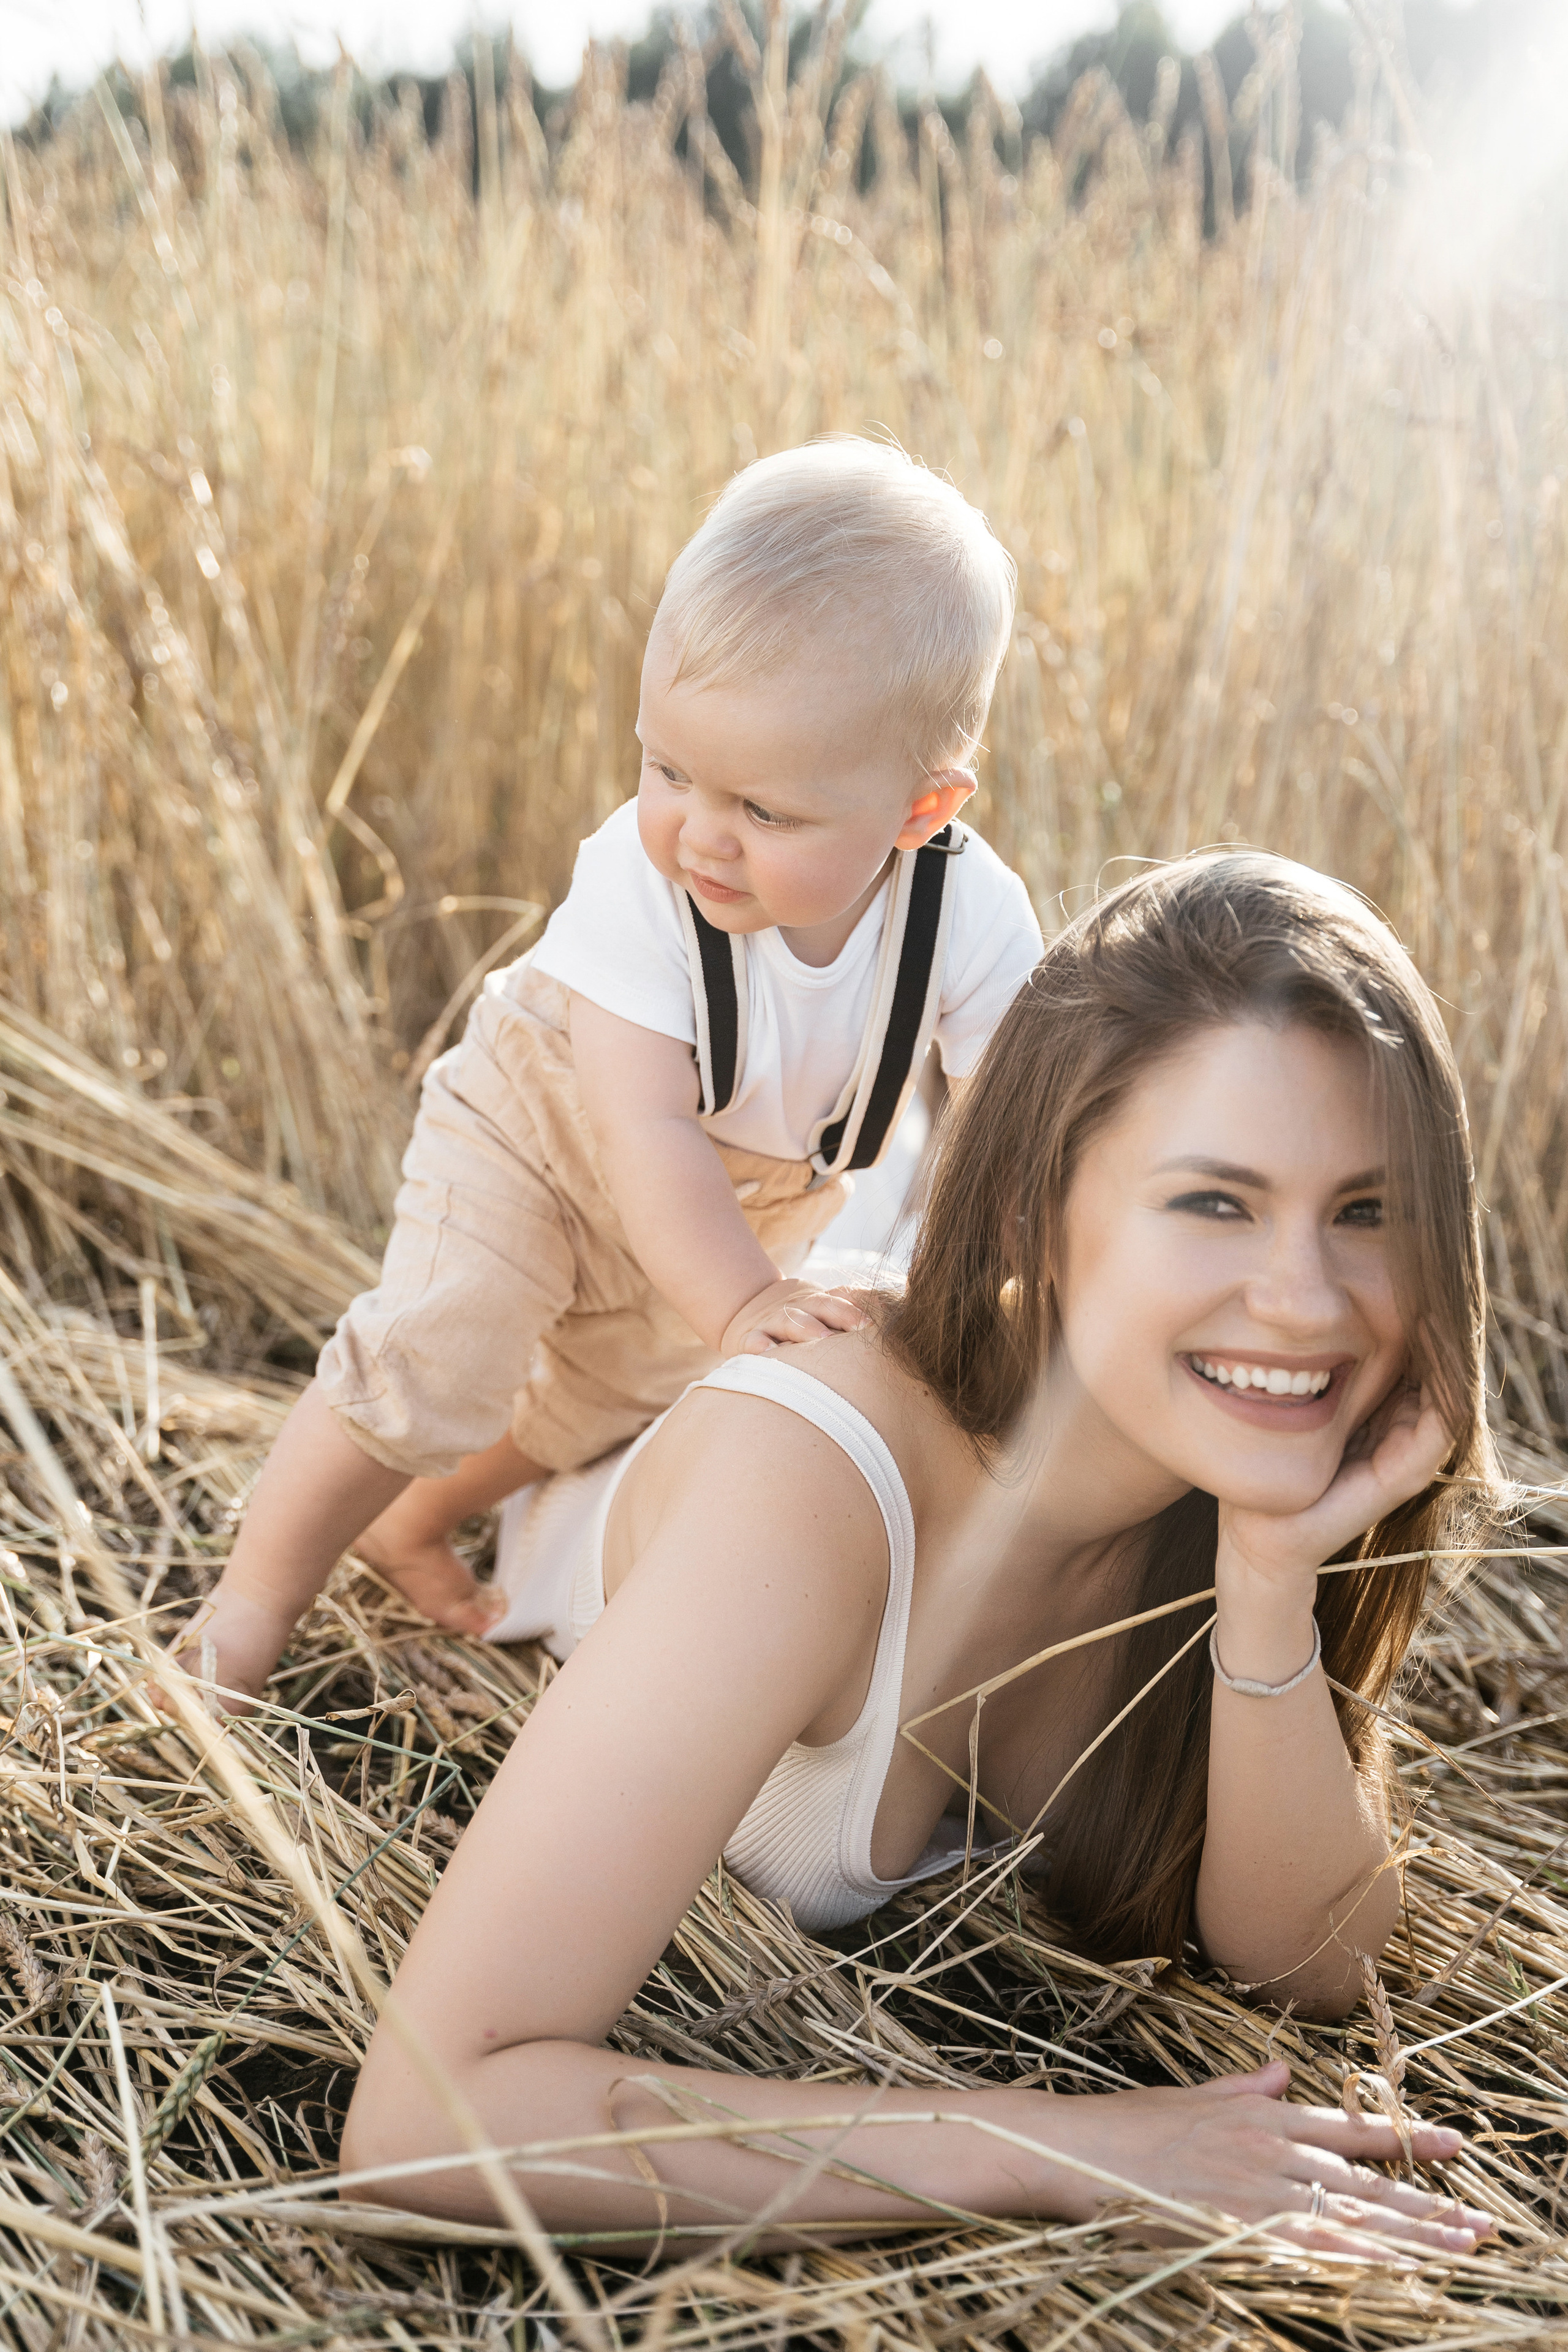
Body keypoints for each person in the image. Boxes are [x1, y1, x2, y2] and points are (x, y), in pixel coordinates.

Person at [339, 851, 1501, 2256]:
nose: (1305, 1300)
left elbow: (1313, 1965)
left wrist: (1268, 1594)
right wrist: (1068, 2149)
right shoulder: (809, 1482)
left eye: (1365, 1212)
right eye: (1214, 1202)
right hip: (660, 1434)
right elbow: (426, 2121)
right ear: (1029, 1212)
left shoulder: (1211, 1488)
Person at [172, 439, 1042, 1707]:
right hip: (546, 1126)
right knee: (438, 1353)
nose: (699, 830)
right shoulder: (640, 886)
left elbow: (1015, 1111)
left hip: (744, 1197)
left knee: (584, 1409)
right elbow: (638, 1130)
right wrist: (741, 1307)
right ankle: (243, 1612)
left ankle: (407, 1524)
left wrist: (1022, 1253)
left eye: (763, 809)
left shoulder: (967, 912)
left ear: (920, 810)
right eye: (667, 768)